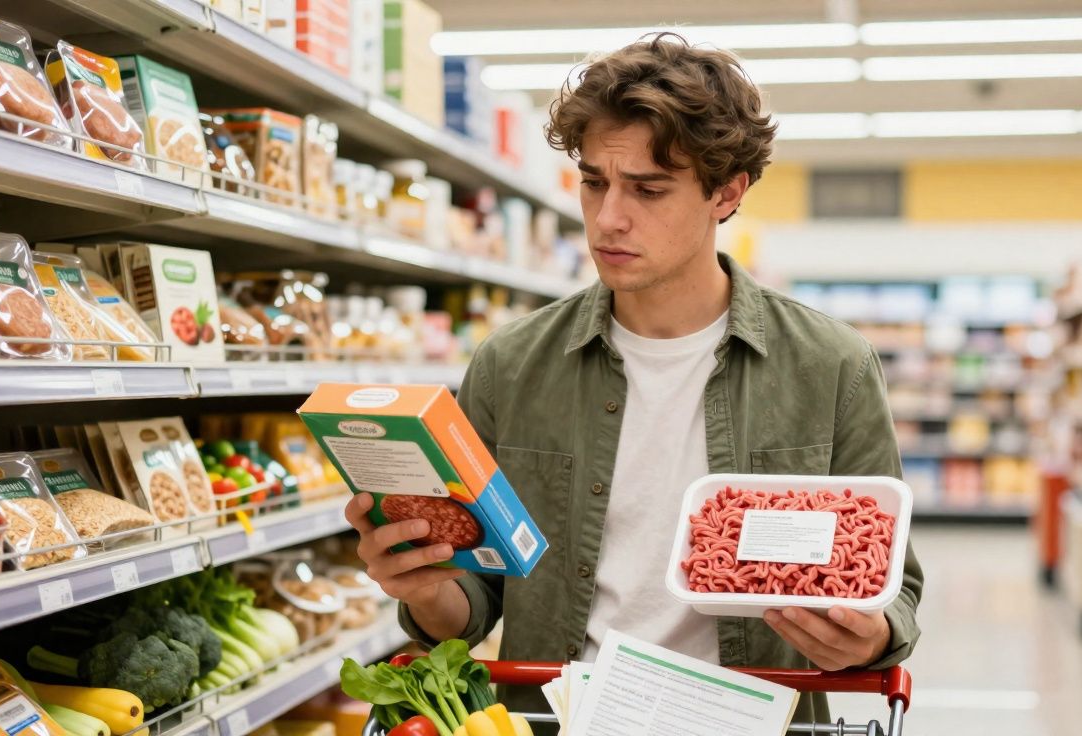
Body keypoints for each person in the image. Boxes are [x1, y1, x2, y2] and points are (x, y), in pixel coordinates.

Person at [344, 32, 924, 726]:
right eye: (594, 182)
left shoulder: (833, 368)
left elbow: (895, 593)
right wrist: (423, 584)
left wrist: (869, 634)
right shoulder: (510, 365)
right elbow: (472, 605)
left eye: (648, 189)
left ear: (727, 193)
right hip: (555, 718)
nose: (608, 218)